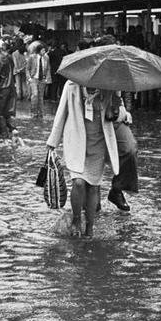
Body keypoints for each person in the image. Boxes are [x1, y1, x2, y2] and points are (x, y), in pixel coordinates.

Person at [46, 81, 121, 238]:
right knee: (79, 183)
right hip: (76, 141)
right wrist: (53, 142)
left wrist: (116, 107)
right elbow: (61, 113)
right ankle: (76, 219)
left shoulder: (110, 86)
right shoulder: (71, 86)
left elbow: (119, 114)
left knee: (93, 186)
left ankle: (90, 226)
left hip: (98, 143)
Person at [26, 41, 51, 118]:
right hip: (34, 78)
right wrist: (29, 78)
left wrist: (47, 78)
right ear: (39, 51)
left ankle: (40, 113)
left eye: (45, 50)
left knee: (40, 96)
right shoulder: (32, 57)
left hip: (42, 79)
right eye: (43, 50)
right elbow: (27, 68)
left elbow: (48, 68)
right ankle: (33, 112)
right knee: (35, 94)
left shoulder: (46, 57)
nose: (44, 52)